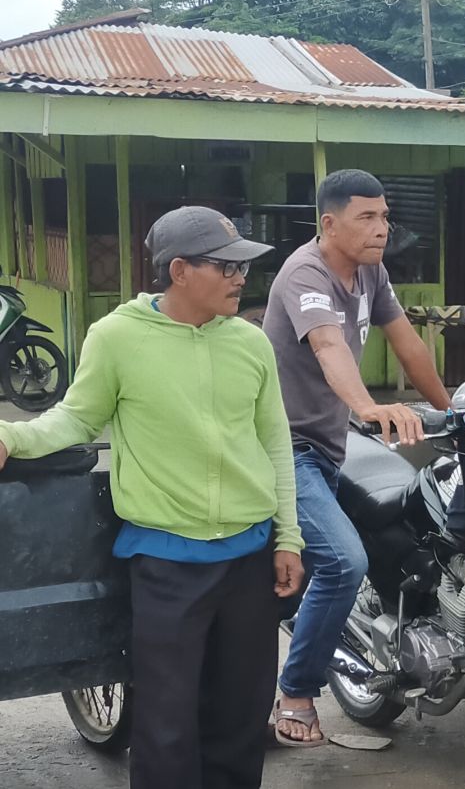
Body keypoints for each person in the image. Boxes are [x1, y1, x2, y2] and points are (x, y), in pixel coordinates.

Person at [0, 206, 304, 789]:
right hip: (167, 564)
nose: (241, 278)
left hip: (250, 559)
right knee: (166, 725)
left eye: (243, 267)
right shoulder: (117, 338)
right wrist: (12, 437)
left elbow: (274, 444)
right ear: (180, 271)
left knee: (240, 716)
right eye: (226, 267)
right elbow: (75, 418)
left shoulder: (251, 342)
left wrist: (287, 538)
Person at [263, 169, 450, 747]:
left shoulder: (372, 270)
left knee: (421, 526)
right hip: (286, 447)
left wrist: (457, 414)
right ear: (329, 223)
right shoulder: (306, 273)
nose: (381, 228)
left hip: (332, 442)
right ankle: (296, 692)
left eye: (385, 216)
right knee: (344, 562)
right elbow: (328, 346)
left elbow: (407, 343)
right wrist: (368, 406)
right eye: (367, 217)